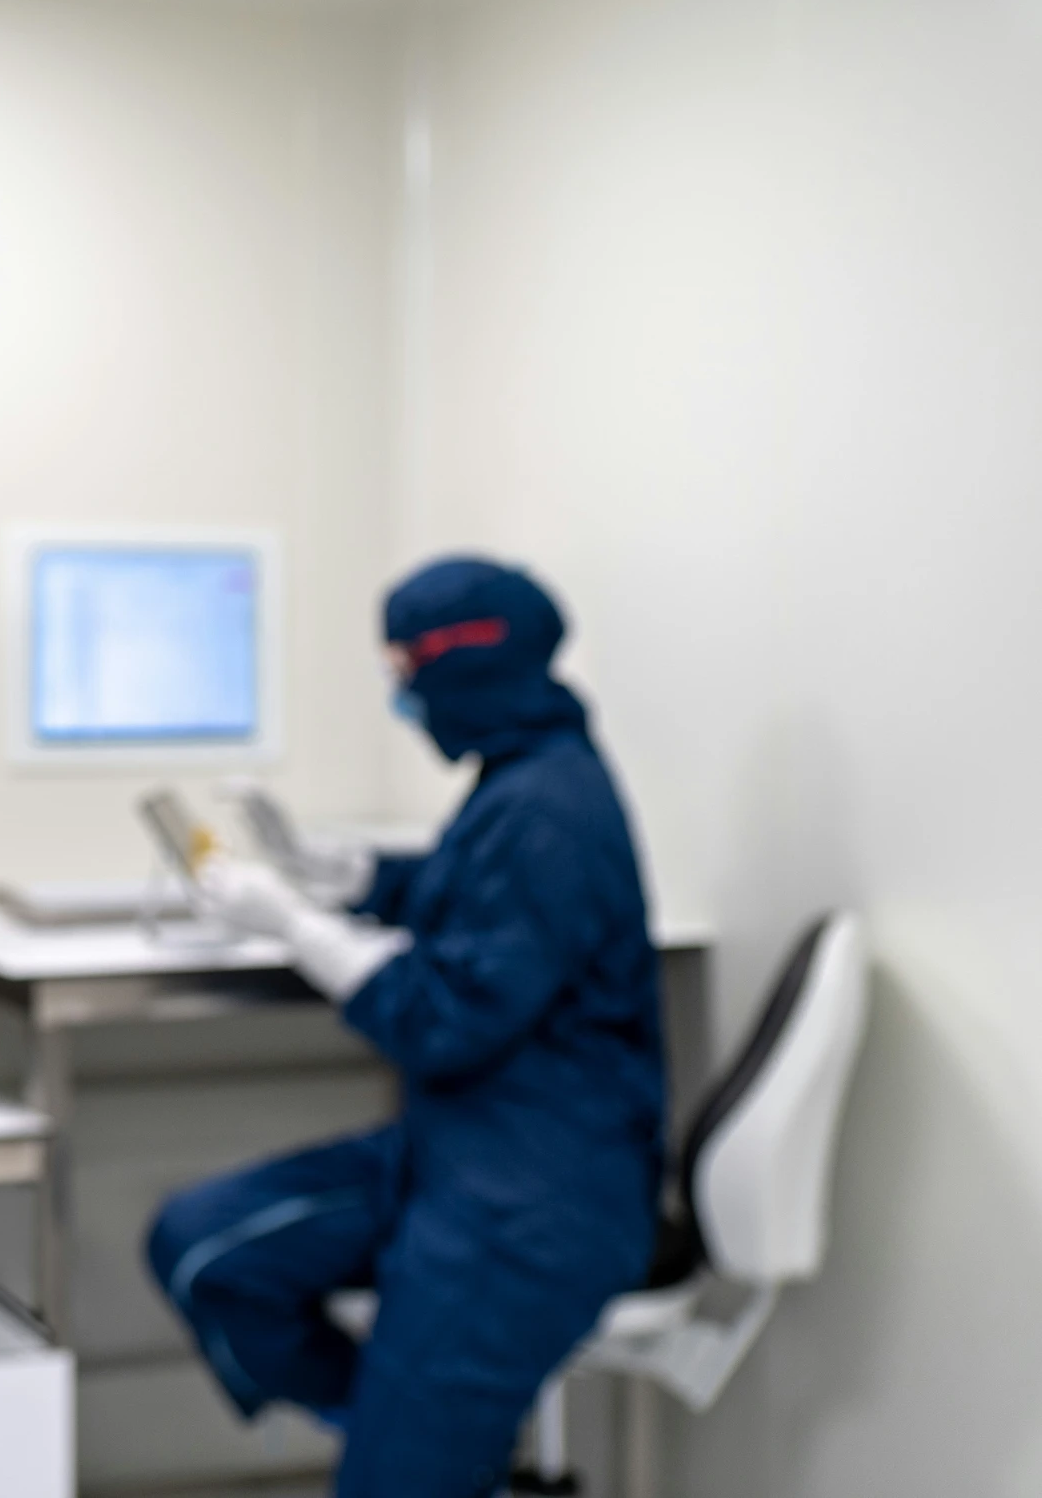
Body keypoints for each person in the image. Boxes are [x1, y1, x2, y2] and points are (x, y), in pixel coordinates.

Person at [148, 558, 664, 1498]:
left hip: (534, 1203)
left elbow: (441, 1019)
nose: (404, 696)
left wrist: (295, 927)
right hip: (458, 1151)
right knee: (203, 1245)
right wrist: (329, 870)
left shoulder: (550, 809)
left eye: (404, 671)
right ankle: (416, 1443)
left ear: (458, 664)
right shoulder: (522, 777)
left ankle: (417, 1459)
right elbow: (464, 892)